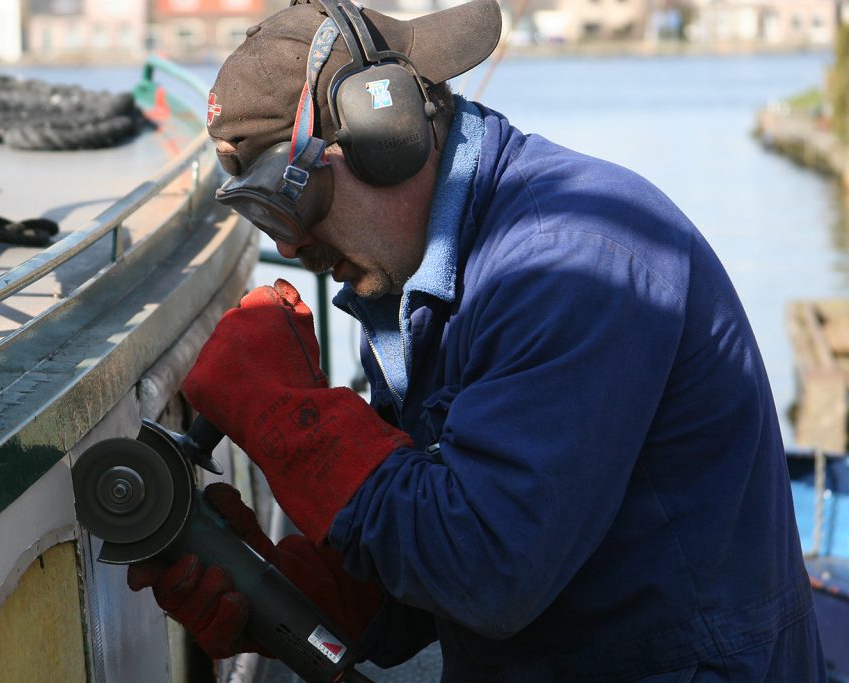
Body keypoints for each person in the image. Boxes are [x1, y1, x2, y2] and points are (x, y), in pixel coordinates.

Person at [127, 0, 827, 679]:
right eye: (258, 209)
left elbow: (488, 568)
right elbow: (433, 581)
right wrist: (287, 587)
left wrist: (288, 414)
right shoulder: (425, 283)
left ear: (387, 131)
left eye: (291, 194)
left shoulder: (574, 263)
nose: (288, 240)